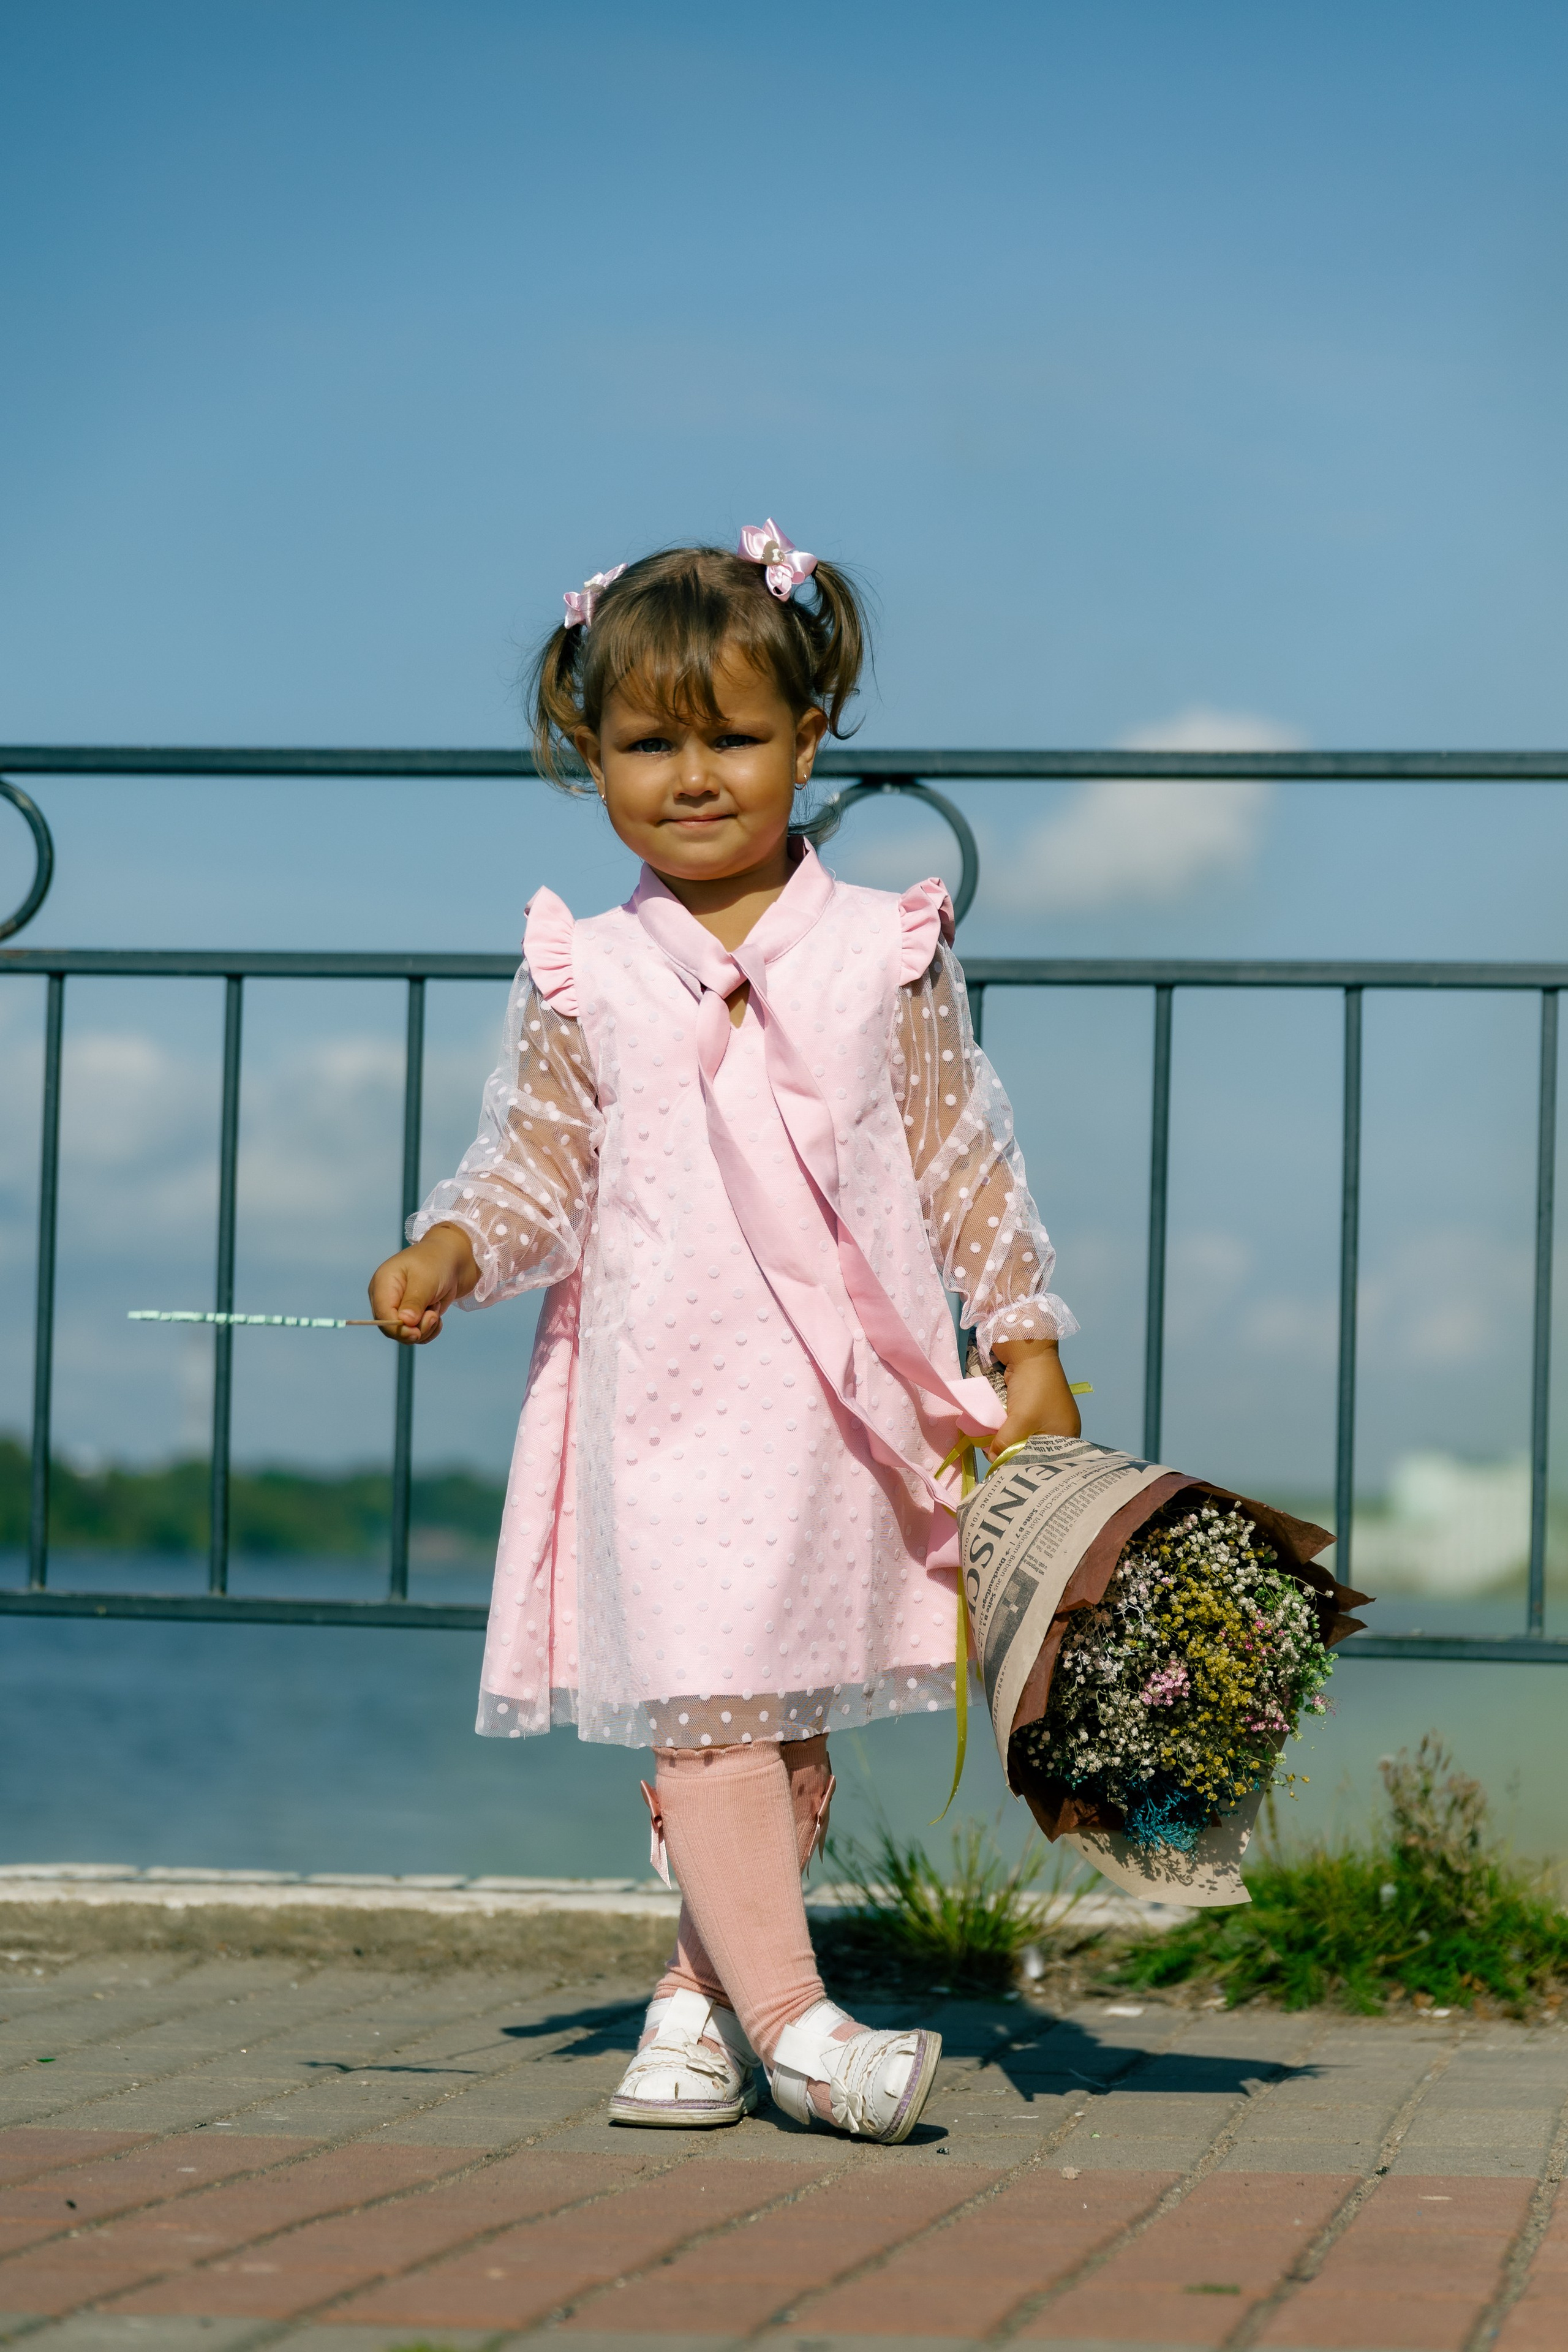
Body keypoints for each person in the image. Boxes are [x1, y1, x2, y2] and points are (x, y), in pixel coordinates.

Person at [368, 522, 1080, 2144]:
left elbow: (961, 1146)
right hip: (661, 1406)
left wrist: (1022, 1326)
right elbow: (537, 1165)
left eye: (737, 738)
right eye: (648, 744)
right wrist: (457, 1246)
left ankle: (692, 2008)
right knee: (708, 1703)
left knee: (785, 1709)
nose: (695, 776)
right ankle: (798, 2029)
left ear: (809, 741)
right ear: (588, 754)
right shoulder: (592, 970)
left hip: (842, 1404)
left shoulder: (880, 948)